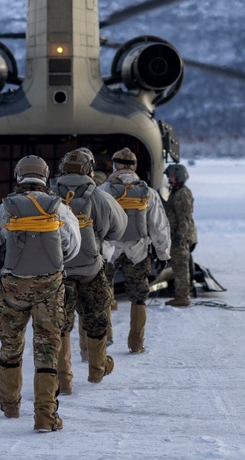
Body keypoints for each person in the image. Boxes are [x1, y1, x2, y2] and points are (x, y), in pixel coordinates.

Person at [0, 155, 81, 432]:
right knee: (47, 350)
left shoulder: (4, 210)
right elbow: (73, 245)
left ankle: (10, 405)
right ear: (45, 176)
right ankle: (45, 415)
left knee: (11, 345)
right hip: (50, 289)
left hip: (14, 289)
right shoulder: (59, 208)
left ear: (19, 176)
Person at [53, 149, 128, 394]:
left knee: (61, 325)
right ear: (89, 169)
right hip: (91, 269)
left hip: (60, 271)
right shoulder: (98, 196)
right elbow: (117, 228)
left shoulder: (48, 196)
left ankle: (64, 380)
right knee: (96, 319)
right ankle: (97, 369)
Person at [99, 147, 171, 353]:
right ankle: (136, 344)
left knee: (102, 293)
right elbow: (159, 226)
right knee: (138, 296)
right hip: (138, 250)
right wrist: (163, 253)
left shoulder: (103, 191)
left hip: (109, 250)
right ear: (134, 167)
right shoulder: (148, 192)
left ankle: (105, 337)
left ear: (115, 165)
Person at [163, 163, 197, 307]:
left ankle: (183, 297)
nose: (169, 179)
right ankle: (183, 294)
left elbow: (185, 218)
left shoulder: (182, 194)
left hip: (180, 236)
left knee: (181, 267)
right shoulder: (176, 192)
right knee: (178, 266)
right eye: (168, 176)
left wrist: (179, 236)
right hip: (176, 235)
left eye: (172, 176)